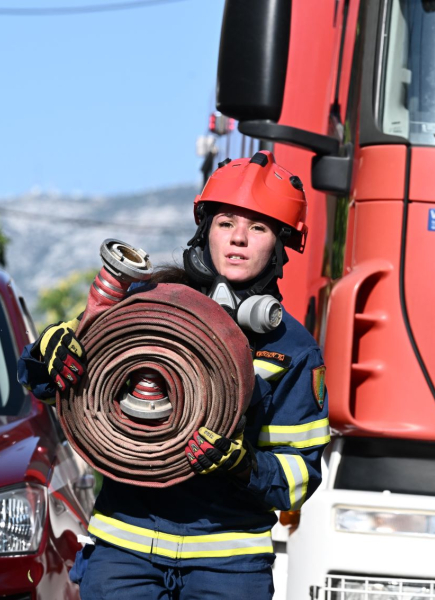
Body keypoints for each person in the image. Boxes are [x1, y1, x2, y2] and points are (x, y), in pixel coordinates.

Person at [18, 151, 329, 600]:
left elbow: (299, 476)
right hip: (123, 554)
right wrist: (49, 355)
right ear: (205, 233)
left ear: (280, 246)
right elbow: (49, 384)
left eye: (258, 228)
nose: (238, 238)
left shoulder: (293, 350)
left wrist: (242, 465)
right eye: (226, 223)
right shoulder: (146, 304)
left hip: (229, 566)